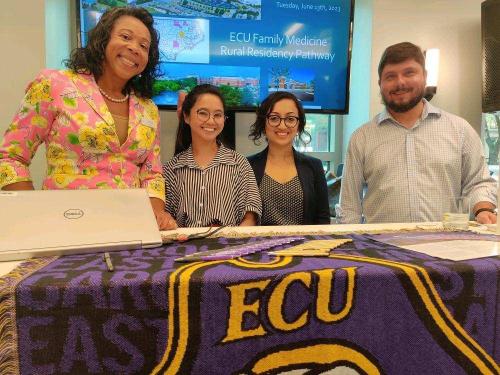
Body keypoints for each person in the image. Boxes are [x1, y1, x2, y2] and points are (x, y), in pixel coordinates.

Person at [0, 7, 177, 230]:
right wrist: (32, 213)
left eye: (144, 46)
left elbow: (152, 173)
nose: (134, 48)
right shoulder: (54, 85)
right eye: (125, 37)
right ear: (102, 39)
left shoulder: (148, 108)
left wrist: (157, 214)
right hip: (65, 228)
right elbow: (11, 157)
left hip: (131, 230)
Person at [338, 42, 497, 224]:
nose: (400, 82)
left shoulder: (460, 130)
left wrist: (483, 209)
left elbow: (479, 182)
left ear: (425, 76)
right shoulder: (362, 138)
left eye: (409, 73)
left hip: (448, 246)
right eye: (390, 76)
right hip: (382, 249)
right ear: (380, 83)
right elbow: (349, 208)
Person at [163, 84, 262, 227]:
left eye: (218, 115)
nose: (211, 121)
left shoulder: (240, 164)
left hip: (229, 247)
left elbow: (251, 216)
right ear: (186, 116)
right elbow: (166, 220)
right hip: (184, 248)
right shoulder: (171, 169)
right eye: (203, 113)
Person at [247, 91, 330, 225]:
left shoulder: (314, 167)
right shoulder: (247, 166)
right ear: (263, 123)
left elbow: (322, 219)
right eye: (274, 118)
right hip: (260, 245)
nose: (282, 125)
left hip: (305, 245)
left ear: (298, 125)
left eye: (290, 119)